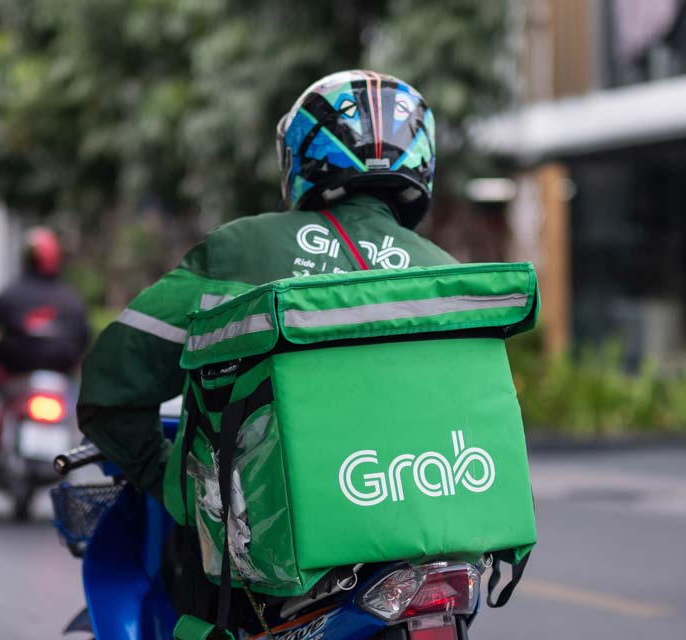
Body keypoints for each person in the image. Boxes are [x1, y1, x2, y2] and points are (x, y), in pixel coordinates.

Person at [77, 70, 456, 621]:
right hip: (422, 538)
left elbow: (110, 382)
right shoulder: (446, 272)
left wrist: (177, 486)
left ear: (302, 157)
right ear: (421, 159)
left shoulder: (239, 252)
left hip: (277, 548)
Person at [0, 227, 90, 463]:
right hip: (62, 380)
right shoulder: (72, 299)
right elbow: (85, 338)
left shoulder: (11, 294)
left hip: (15, 376)